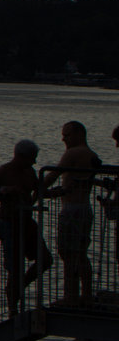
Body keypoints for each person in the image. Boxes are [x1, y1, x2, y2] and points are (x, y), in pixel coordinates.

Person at [0, 139, 50, 316]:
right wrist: (4, 191)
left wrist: (61, 191)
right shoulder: (2, 172)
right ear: (20, 156)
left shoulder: (30, 171)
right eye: (31, 158)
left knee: (45, 259)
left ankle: (20, 285)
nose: (34, 162)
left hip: (26, 221)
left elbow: (40, 189)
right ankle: (13, 307)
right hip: (9, 223)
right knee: (15, 267)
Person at [43, 121, 101, 305]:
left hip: (72, 210)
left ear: (78, 134)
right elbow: (74, 182)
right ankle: (85, 293)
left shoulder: (73, 153)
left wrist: (35, 189)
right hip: (84, 208)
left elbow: (51, 177)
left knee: (67, 252)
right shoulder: (91, 154)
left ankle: (71, 295)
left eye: (67, 134)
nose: (63, 139)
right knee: (80, 253)